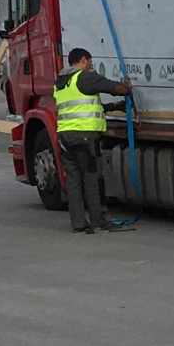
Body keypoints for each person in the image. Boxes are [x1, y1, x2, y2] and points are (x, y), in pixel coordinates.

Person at [51, 48, 133, 233]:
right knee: (92, 178)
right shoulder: (84, 77)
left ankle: (78, 222)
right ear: (83, 60)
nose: (90, 66)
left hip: (65, 136)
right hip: (84, 136)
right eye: (89, 62)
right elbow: (115, 88)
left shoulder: (61, 82)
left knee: (73, 181)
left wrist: (111, 107)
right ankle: (99, 220)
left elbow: (82, 106)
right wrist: (127, 88)